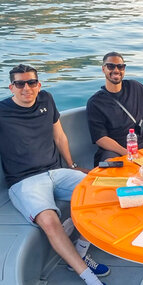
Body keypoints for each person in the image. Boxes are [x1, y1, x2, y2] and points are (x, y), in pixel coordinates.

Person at [0, 64, 109, 285]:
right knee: (50, 221)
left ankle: (78, 251)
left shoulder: (46, 99)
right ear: (11, 87)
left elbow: (59, 137)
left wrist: (72, 165)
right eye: (20, 83)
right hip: (24, 182)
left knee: (104, 192)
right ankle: (89, 278)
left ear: (38, 85)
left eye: (31, 82)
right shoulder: (2, 111)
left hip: (56, 172)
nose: (26, 88)